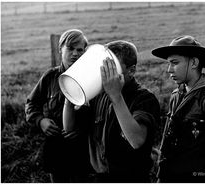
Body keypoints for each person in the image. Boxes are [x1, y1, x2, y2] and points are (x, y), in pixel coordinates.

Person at [63, 40, 161, 182]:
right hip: (100, 176)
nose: (105, 75)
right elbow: (69, 127)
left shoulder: (144, 99)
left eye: (111, 68)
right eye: (103, 67)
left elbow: (137, 140)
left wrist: (116, 96)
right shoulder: (99, 94)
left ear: (131, 71)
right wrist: (70, 96)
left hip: (131, 178)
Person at [151, 35, 205, 182]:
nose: (169, 69)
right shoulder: (176, 95)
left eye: (174, 63)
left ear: (194, 62)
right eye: (169, 63)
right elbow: (166, 143)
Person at [25, 29, 93, 182]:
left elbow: (99, 113)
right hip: (56, 149)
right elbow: (31, 103)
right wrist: (40, 121)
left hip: (83, 151)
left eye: (79, 49)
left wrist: (83, 128)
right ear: (60, 49)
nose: (75, 54)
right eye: (70, 48)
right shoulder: (50, 77)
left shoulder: (92, 79)